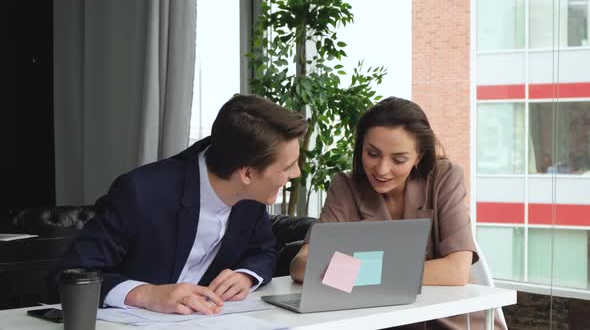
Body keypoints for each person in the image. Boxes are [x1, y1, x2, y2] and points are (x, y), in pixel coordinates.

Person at [61, 94, 308, 315]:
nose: (296, 173)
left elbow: (263, 251)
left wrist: (246, 275)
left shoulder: (251, 197)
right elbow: (71, 274)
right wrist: (147, 295)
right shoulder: (141, 192)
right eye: (287, 167)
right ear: (247, 174)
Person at [290, 97, 505, 329]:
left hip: (448, 321)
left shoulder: (445, 177)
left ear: (419, 156)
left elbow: (455, 272)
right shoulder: (346, 185)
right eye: (372, 154)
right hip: (377, 319)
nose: (382, 170)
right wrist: (393, 273)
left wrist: (355, 272)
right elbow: (301, 265)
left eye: (399, 159)